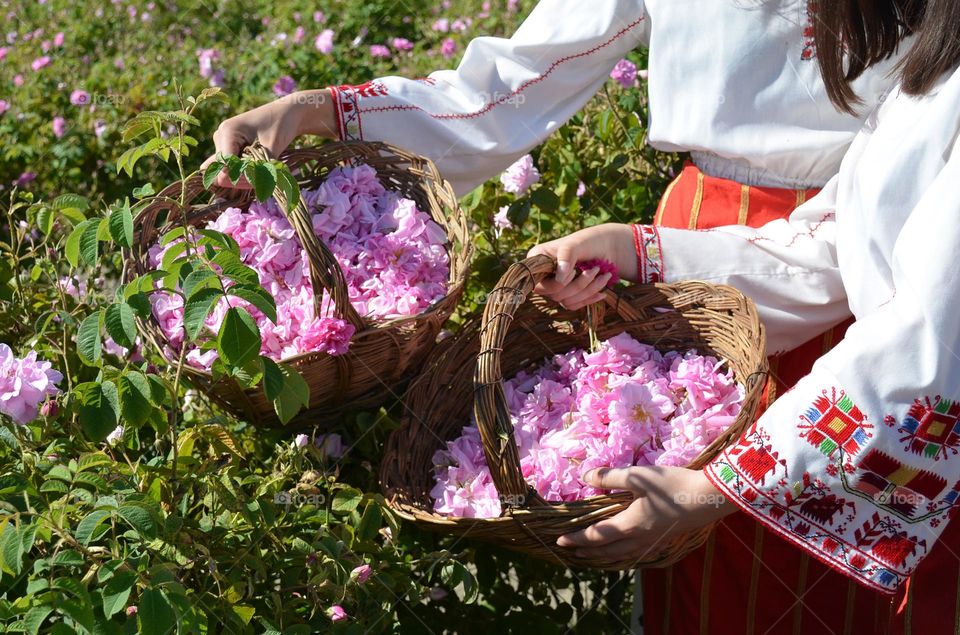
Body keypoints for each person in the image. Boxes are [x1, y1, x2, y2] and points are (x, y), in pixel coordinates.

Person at [204, 1, 912, 631]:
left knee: (852, 542)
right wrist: (321, 111)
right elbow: (514, 81)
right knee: (693, 555)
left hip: (880, 241)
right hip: (689, 259)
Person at [531, 1, 960, 632]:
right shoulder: (935, 70)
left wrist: (719, 488)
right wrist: (641, 252)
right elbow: (833, 246)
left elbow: (930, 344)